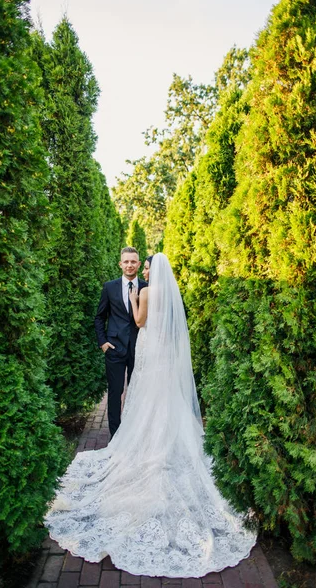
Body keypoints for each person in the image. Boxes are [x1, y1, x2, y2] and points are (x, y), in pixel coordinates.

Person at [45, 253, 257, 578]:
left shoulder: (143, 291)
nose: (140, 269)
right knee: (161, 399)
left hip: (146, 346)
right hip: (162, 351)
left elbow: (140, 321)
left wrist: (133, 298)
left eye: (143, 266)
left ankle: (144, 444)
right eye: (135, 264)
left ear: (149, 269)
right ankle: (165, 441)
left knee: (143, 398)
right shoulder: (169, 293)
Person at [94, 247, 148, 437]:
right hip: (114, 348)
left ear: (139, 264)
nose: (129, 265)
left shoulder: (146, 287)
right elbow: (99, 317)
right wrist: (103, 343)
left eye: (133, 261)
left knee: (137, 392)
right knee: (115, 393)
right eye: (126, 261)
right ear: (120, 264)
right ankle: (115, 436)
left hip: (139, 348)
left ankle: (135, 434)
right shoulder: (110, 287)